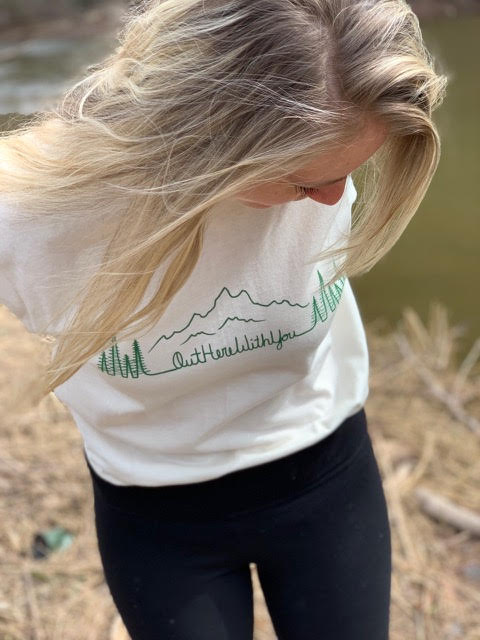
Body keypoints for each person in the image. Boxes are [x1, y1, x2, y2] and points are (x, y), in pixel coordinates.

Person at [0, 0, 446, 638]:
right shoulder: (27, 217)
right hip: (156, 513)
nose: (335, 199)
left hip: (326, 472)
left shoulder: (330, 141)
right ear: (211, 133)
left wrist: (312, 175)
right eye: (304, 183)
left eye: (350, 172)